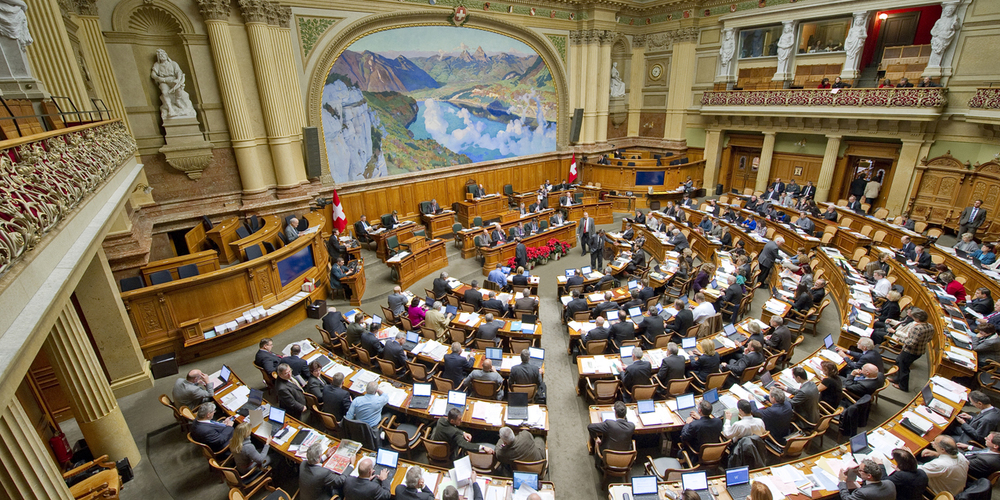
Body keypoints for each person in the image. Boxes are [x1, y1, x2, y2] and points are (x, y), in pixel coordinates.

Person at [889, 307, 934, 391]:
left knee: (904, 368)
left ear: (917, 318)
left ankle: (903, 386)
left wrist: (899, 339)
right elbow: (929, 339)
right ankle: (896, 379)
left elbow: (911, 343)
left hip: (910, 351)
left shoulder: (917, 328)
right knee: (899, 361)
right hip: (919, 351)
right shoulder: (930, 326)